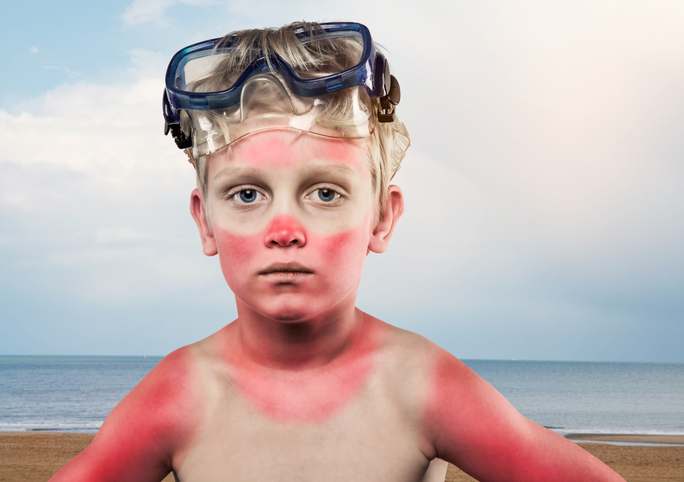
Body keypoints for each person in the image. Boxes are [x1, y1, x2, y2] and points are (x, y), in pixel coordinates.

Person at [50, 21, 625, 482]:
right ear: (206, 222)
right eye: (246, 194)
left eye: (324, 192)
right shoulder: (179, 395)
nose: (284, 228)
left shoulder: (420, 385)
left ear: (381, 217)